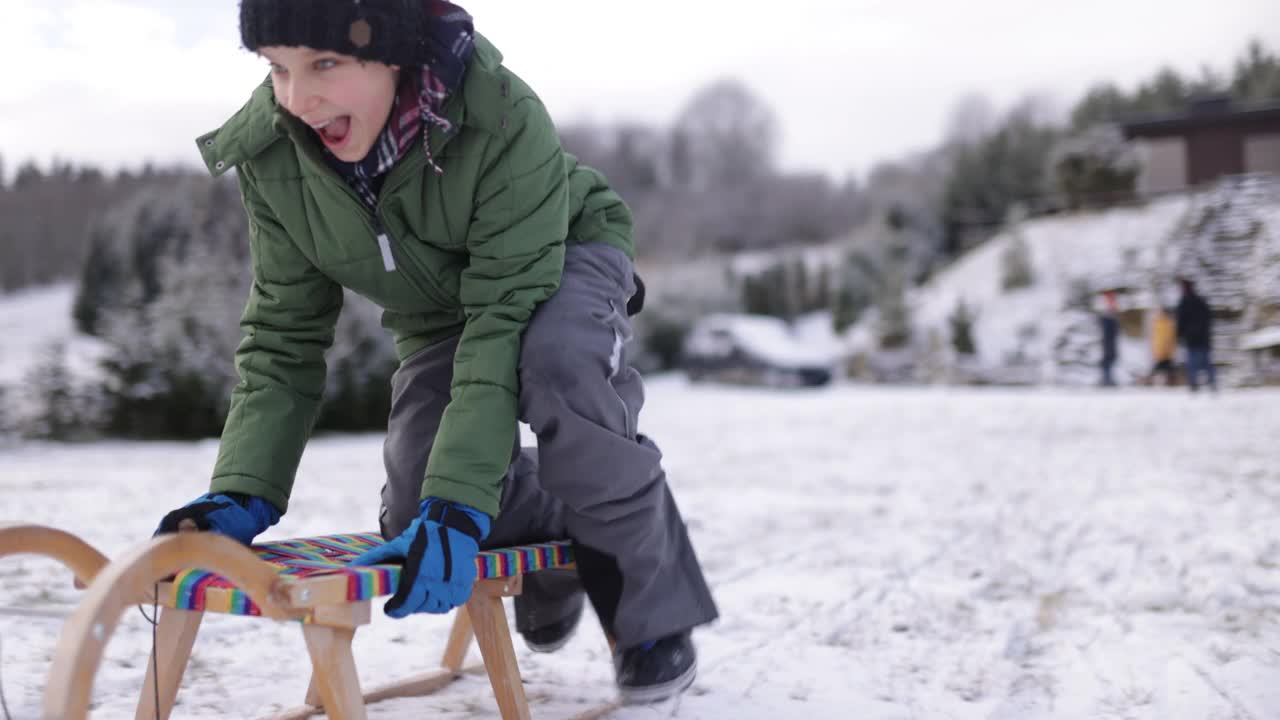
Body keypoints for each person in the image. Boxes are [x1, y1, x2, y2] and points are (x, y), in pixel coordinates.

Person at [153, 0, 717, 703]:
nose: (298, 98)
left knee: (558, 366)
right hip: (437, 307)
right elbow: (284, 335)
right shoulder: (274, 157)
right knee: (420, 500)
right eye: (278, 69)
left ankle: (650, 618)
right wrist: (244, 488)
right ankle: (561, 511)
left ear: (392, 52)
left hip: (561, 253)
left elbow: (503, 319)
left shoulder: (500, 118)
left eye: (325, 64)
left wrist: (461, 506)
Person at [1176, 278, 1217, 392]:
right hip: (1200, 339)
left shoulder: (1186, 302)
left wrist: (1180, 335)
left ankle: (1196, 384)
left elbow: (1181, 321)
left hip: (1195, 340)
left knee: (1195, 363)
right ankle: (1209, 383)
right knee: (1205, 363)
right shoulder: (1199, 301)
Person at [1146, 305, 1177, 386]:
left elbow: (1171, 337)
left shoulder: (1167, 323)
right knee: (1161, 368)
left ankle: (1169, 381)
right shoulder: (1159, 322)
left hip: (1165, 350)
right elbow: (1155, 337)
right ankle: (1152, 381)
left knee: (1167, 368)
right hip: (1161, 349)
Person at [1098, 291, 1120, 387]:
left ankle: (1107, 379)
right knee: (1107, 360)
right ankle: (1106, 379)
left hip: (1110, 342)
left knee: (1110, 360)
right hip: (1108, 342)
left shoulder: (1112, 315)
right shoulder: (1107, 316)